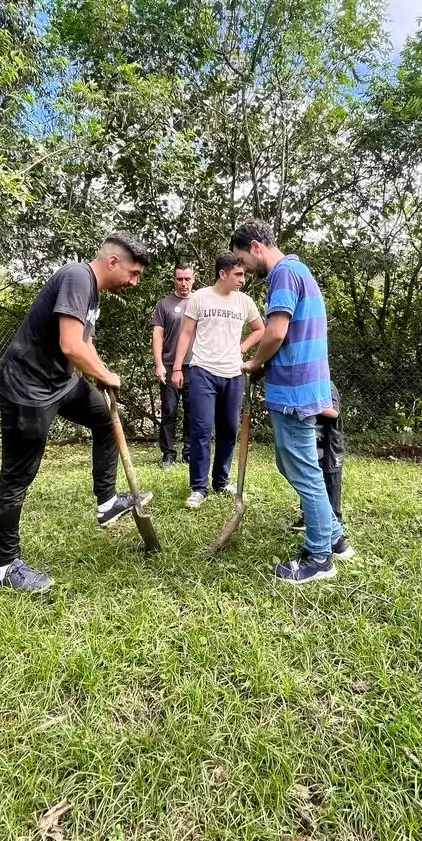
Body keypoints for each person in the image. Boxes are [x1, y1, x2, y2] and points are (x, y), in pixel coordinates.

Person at [0, 231, 152, 594]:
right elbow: (69, 345)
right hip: (27, 390)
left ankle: (108, 502)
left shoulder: (93, 291)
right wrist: (107, 375)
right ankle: (7, 567)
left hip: (61, 383)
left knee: (105, 420)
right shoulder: (77, 276)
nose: (134, 281)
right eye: (134, 273)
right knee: (17, 478)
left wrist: (101, 377)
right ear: (113, 262)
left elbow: (84, 345)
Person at [230, 219, 345, 584]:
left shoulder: (283, 274)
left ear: (255, 247)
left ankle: (319, 557)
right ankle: (335, 535)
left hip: (295, 389)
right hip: (300, 385)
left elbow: (277, 331)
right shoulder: (298, 271)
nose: (243, 269)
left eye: (242, 259)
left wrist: (255, 362)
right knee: (289, 462)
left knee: (304, 471)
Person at [172, 253, 264, 508]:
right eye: (238, 274)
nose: (242, 280)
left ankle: (221, 482)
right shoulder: (200, 297)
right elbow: (186, 333)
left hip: (233, 375)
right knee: (201, 431)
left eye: (243, 274)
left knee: (229, 431)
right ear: (222, 273)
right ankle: (198, 488)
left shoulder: (244, 302)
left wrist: (242, 349)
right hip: (202, 372)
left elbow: (261, 329)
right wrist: (178, 368)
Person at [290, 382, 354, 560]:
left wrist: (305, 405)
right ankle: (307, 518)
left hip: (330, 448)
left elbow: (333, 412)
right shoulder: (307, 384)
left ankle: (335, 526)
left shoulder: (327, 385)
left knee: (330, 484)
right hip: (312, 446)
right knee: (309, 480)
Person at [151, 262, 195, 469]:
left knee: (192, 411)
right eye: (180, 279)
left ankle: (189, 451)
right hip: (169, 365)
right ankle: (168, 453)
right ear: (174, 280)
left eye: (187, 278)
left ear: (193, 279)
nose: (184, 283)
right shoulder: (164, 304)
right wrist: (158, 363)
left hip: (195, 365)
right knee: (169, 410)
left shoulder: (200, 301)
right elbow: (157, 335)